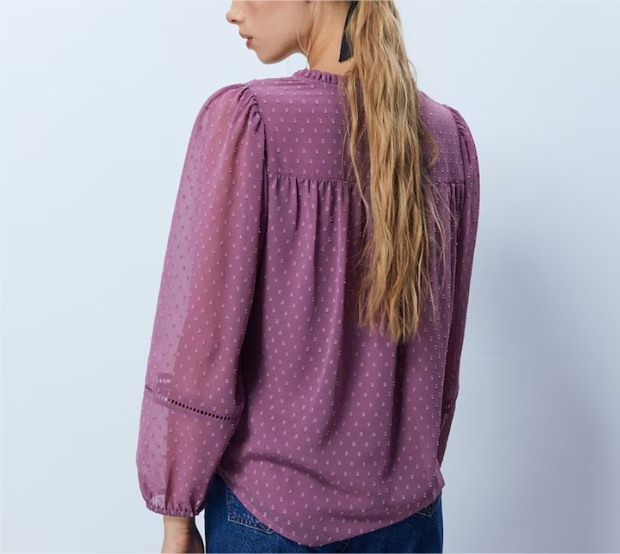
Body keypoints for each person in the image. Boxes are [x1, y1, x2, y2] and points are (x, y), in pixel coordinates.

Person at [135, 1, 480, 552]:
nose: (232, 11)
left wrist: (176, 512)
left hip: (270, 518)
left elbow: (203, 339)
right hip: (410, 521)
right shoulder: (446, 137)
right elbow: (445, 354)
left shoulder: (252, 123)